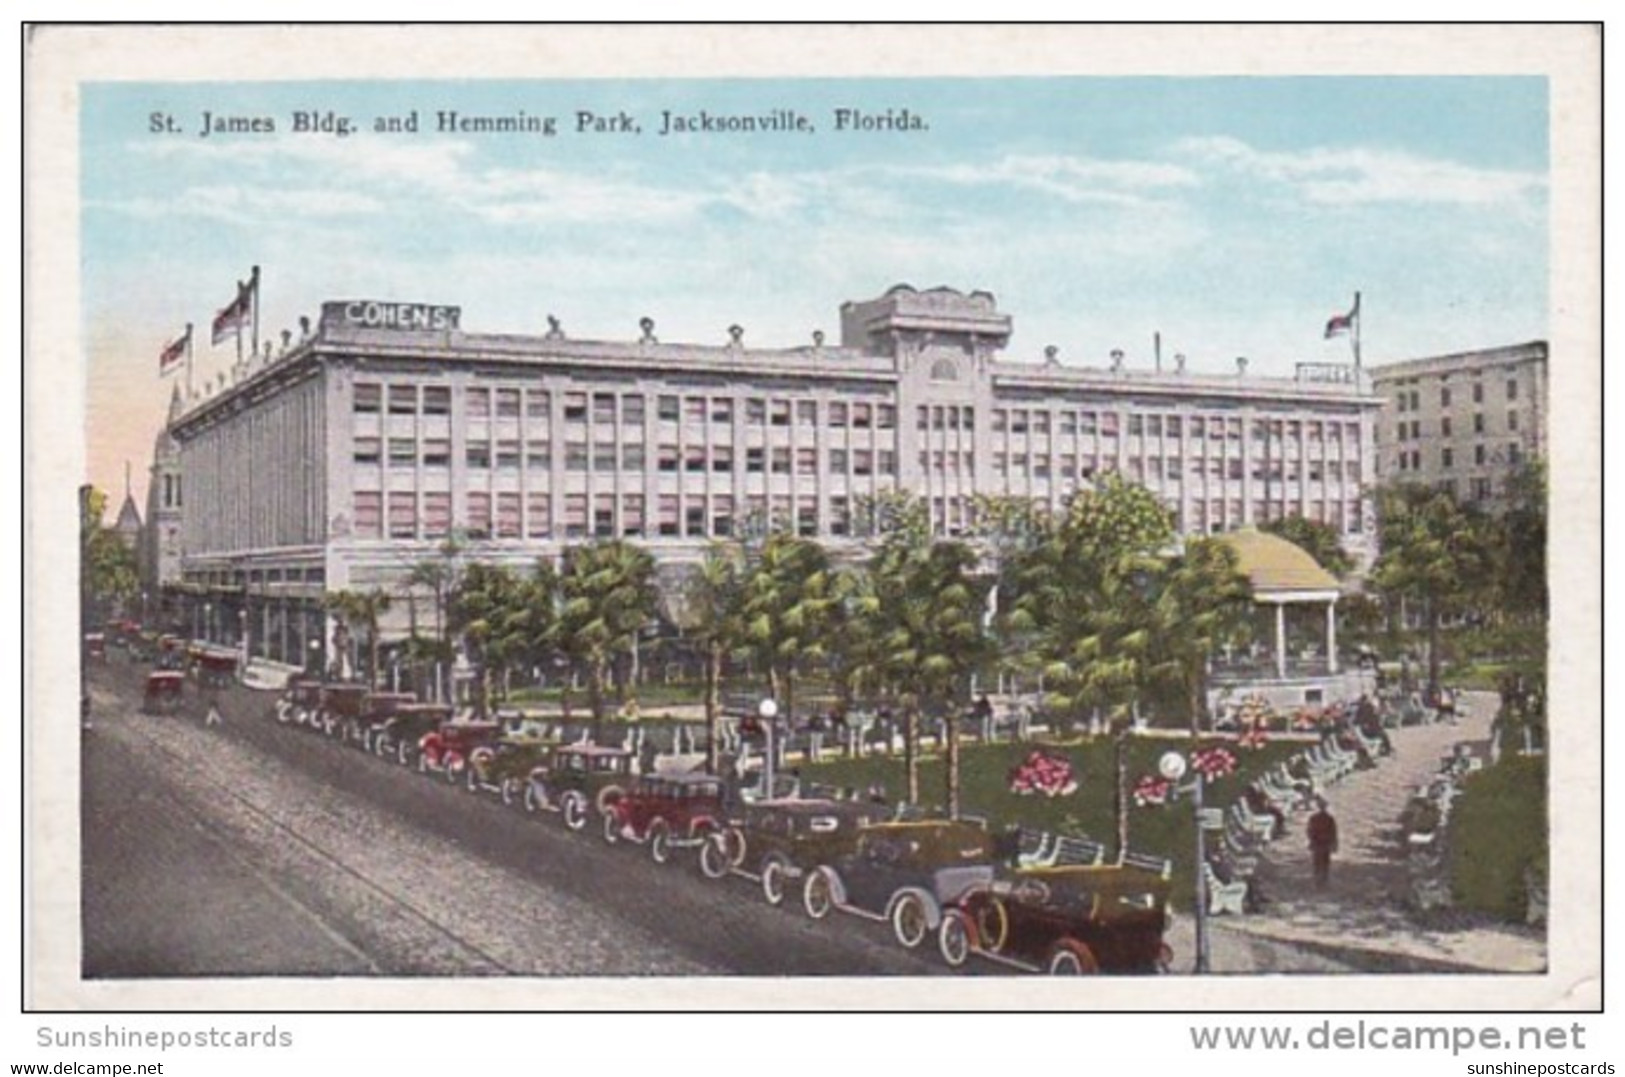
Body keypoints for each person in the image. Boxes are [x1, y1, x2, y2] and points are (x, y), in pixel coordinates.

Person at [1306, 799, 1339, 888]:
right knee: (1324, 861)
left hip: (1319, 842)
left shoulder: (1314, 818)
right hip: (1323, 842)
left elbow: (1310, 831)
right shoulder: (1329, 818)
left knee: (1319, 862)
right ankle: (1323, 880)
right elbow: (1333, 832)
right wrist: (1334, 843)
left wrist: (1311, 840)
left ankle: (1319, 880)